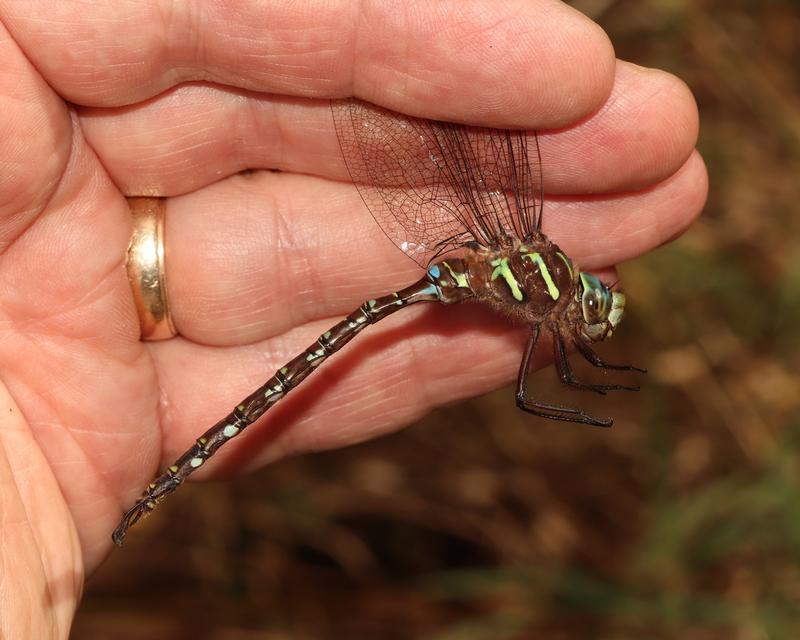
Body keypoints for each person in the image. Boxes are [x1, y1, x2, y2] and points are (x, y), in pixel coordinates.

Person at [0, 1, 706, 636]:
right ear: (572, 298)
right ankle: (166, 480)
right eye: (594, 308)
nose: (591, 318)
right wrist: (591, 389)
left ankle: (153, 484)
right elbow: (534, 393)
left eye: (595, 311)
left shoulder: (532, 268)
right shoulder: (543, 297)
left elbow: (545, 386)